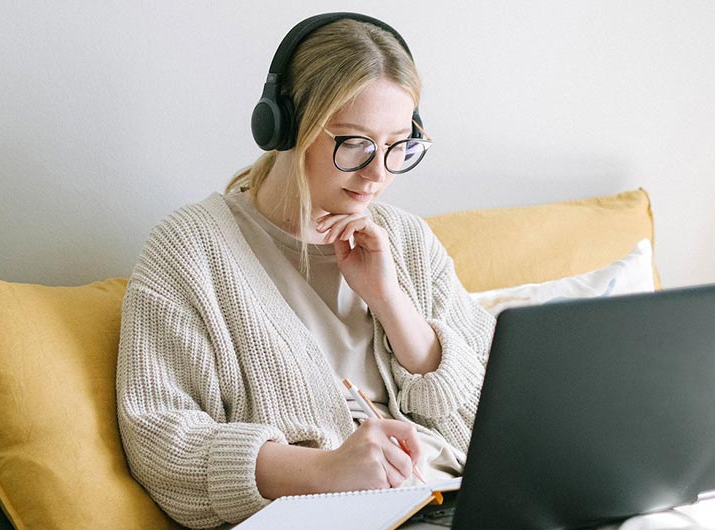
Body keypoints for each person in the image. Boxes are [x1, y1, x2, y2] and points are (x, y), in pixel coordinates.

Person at [115, 13, 495, 528]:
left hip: (459, 500)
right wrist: (323, 470)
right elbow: (160, 440)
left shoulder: (405, 239)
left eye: (398, 145)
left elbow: (496, 420)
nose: (378, 173)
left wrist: (391, 303)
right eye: (355, 143)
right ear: (287, 127)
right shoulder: (191, 251)